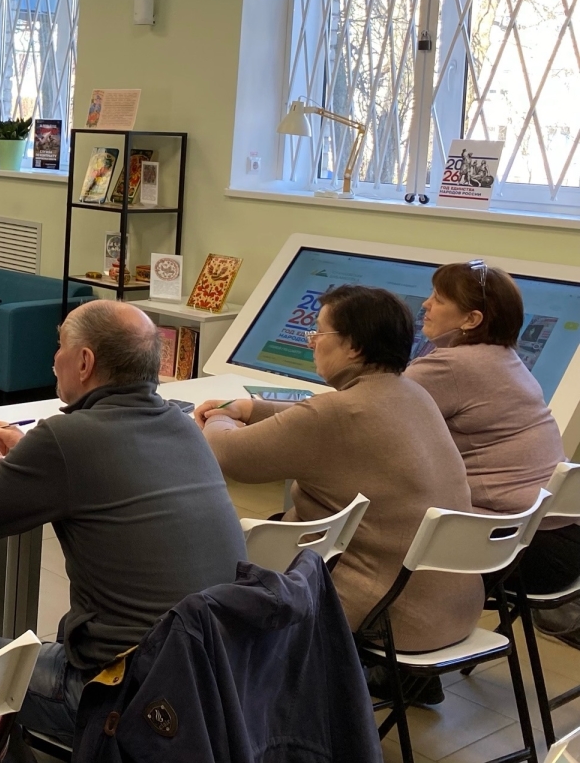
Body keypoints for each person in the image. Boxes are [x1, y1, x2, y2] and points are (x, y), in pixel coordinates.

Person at [0, 300, 246, 747]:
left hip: (124, 695)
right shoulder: (184, 426)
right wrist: (32, 452)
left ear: (85, 362)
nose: (54, 358)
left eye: (60, 345)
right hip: (214, 683)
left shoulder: (65, 439)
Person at [197, 285, 482, 699]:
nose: (312, 341)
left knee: (225, 553)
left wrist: (218, 417)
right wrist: (250, 409)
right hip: (453, 609)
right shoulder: (411, 394)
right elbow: (313, 417)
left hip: (390, 618)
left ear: (353, 347)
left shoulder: (340, 413)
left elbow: (229, 455)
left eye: (320, 332)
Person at [408, 262, 574, 634]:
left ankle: (380, 655)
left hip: (517, 549)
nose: (425, 305)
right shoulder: (507, 359)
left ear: (471, 319)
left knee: (366, 536)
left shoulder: (450, 366)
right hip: (559, 540)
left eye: (438, 299)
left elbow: (365, 412)